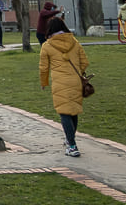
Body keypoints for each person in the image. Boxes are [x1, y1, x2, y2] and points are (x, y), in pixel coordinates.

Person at [39, 16, 89, 157]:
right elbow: (84, 62)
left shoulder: (47, 46)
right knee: (73, 110)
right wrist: (79, 72)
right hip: (75, 81)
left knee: (64, 112)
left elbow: (43, 68)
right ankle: (69, 140)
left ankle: (72, 145)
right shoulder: (74, 42)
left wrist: (44, 82)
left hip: (59, 82)